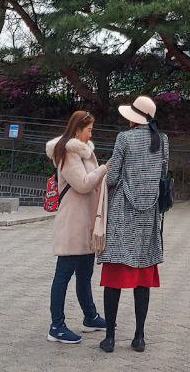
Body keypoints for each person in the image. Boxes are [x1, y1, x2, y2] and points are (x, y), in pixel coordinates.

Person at [97, 95, 167, 354]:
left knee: (114, 276)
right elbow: (162, 175)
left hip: (123, 214)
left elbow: (113, 175)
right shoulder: (163, 141)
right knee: (143, 278)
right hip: (149, 214)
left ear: (133, 117)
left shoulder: (124, 139)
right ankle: (139, 337)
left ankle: (110, 337)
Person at [44, 109, 109, 345]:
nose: (92, 132)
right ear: (78, 129)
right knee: (64, 273)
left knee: (85, 272)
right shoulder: (68, 153)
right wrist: (104, 168)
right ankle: (56, 325)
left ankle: (90, 316)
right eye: (89, 129)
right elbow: (82, 184)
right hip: (73, 222)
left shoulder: (84, 151)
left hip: (85, 221)